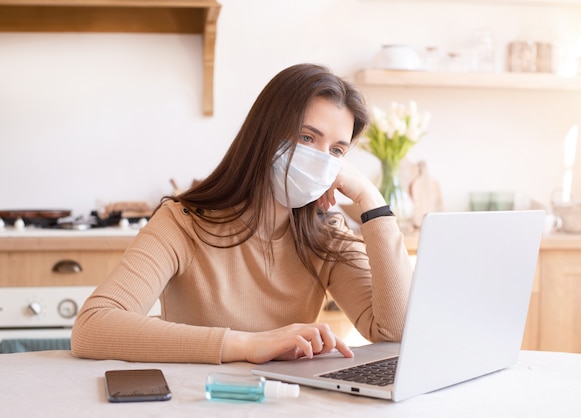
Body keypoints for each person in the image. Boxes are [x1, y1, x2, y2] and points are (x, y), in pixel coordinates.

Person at [71, 63, 412, 365]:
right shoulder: (182, 221)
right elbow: (93, 326)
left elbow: (394, 331)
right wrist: (247, 344)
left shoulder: (326, 235)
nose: (322, 160)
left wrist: (371, 200)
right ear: (264, 136)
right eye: (306, 137)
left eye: (337, 150)